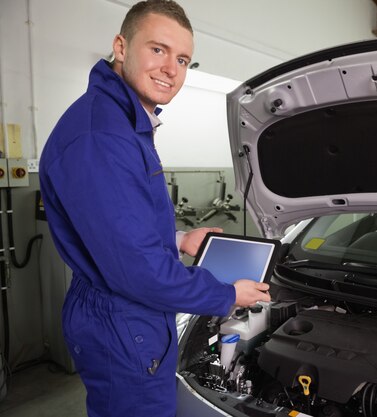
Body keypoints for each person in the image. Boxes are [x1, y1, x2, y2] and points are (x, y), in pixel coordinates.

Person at [38, 1, 270, 416]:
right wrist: (227, 295)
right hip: (123, 322)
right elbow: (138, 270)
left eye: (182, 59)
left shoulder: (124, 121)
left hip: (127, 314)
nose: (171, 69)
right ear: (121, 47)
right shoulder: (103, 137)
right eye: (158, 50)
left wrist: (179, 238)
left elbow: (125, 229)